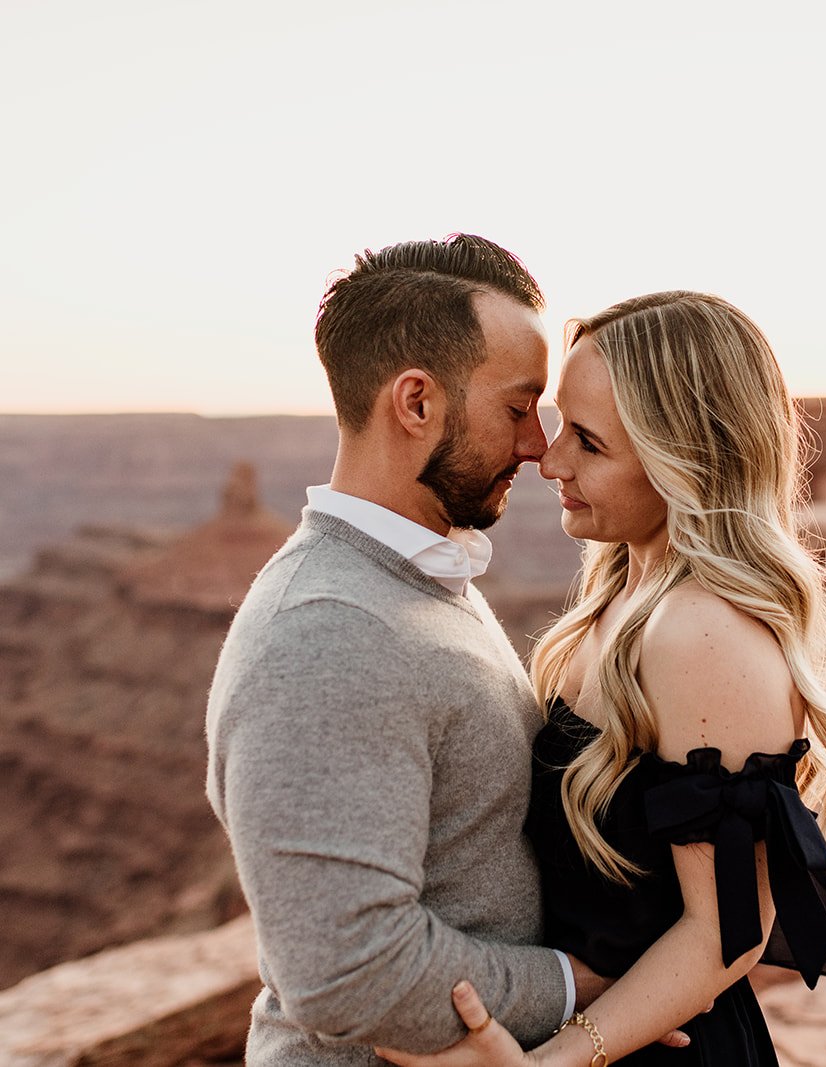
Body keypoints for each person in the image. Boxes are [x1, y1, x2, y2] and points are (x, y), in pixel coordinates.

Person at [376, 291, 826, 1067]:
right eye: (558, 422)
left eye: (590, 442)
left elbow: (722, 933)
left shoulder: (704, 635)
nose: (549, 458)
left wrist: (556, 1059)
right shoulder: (621, 597)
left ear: (687, 461)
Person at [205, 235, 621, 1064]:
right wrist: (584, 988)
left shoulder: (412, 581)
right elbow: (346, 969)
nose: (539, 447)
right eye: (516, 408)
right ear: (416, 403)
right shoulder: (328, 629)